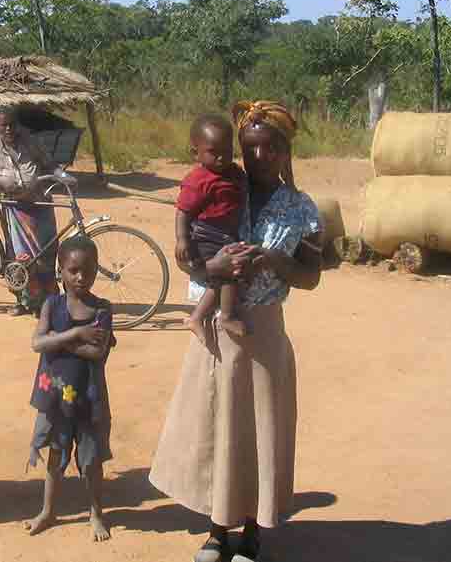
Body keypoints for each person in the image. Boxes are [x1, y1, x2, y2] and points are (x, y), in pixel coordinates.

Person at [149, 101, 324, 562]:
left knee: (257, 430)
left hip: (263, 332)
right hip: (217, 329)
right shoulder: (227, 185)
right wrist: (215, 265)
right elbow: (186, 253)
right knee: (217, 428)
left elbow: (311, 276)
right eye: (252, 148)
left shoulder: (302, 208)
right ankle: (215, 529)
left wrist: (273, 261)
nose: (261, 156)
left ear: (288, 152)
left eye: (272, 148)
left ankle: (250, 531)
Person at [25, 235, 115, 542]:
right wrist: (76, 333)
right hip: (57, 399)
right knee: (55, 455)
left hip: (88, 399)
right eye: (73, 270)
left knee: (91, 461)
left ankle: (96, 513)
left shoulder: (103, 309)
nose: (81, 277)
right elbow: (37, 343)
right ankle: (48, 511)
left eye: (88, 271)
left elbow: (97, 354)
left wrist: (58, 341)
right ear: (60, 270)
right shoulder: (52, 304)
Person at [175, 114, 247, 343]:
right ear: (195, 153)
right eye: (213, 152)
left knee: (225, 275)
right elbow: (183, 212)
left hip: (226, 235)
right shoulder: (198, 180)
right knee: (227, 273)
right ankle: (224, 316)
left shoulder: (234, 173)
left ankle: (197, 317)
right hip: (206, 235)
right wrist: (182, 239)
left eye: (227, 150)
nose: (221, 157)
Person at [0, 105, 59, 317]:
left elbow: (51, 164)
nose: (8, 129)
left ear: (18, 125)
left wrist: (62, 175)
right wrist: (3, 181)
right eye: (3, 125)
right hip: (15, 210)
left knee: (46, 255)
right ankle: (24, 302)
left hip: (40, 206)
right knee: (21, 258)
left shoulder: (32, 143)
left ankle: (48, 303)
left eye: (12, 124)